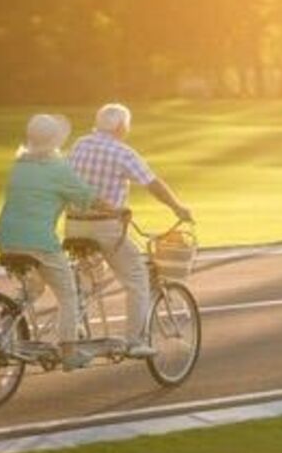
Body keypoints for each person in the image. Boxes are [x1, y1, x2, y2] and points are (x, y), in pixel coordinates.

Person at [65, 103, 193, 358]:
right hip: (105, 227)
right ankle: (135, 341)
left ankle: (74, 324)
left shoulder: (80, 144)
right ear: (122, 127)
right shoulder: (122, 152)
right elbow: (152, 183)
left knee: (88, 276)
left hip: (73, 225)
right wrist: (178, 207)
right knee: (137, 277)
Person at [0, 113, 109, 371]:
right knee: (68, 293)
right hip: (38, 242)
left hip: (6, 238)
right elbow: (88, 196)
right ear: (56, 141)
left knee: (33, 289)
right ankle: (69, 351)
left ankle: (3, 331)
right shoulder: (58, 168)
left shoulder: (19, 164)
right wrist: (116, 210)